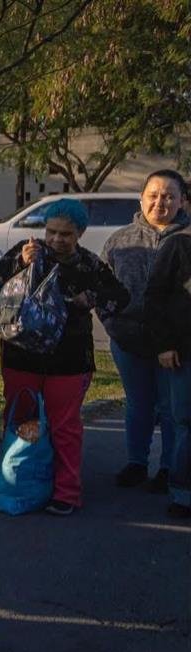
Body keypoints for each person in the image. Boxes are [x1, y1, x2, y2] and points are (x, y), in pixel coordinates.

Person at [0, 199, 129, 516]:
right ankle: (19, 482)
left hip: (68, 360)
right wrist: (21, 266)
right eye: (51, 232)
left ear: (80, 232)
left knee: (64, 427)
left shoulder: (89, 265)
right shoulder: (28, 252)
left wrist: (89, 298)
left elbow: (120, 297)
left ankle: (66, 491)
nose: (56, 240)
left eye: (65, 234)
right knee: (23, 422)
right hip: (21, 356)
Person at [102, 170, 189, 492]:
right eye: (153, 194)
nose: (160, 202)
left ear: (182, 201)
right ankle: (136, 462)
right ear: (141, 198)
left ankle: (169, 468)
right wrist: (114, 325)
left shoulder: (186, 239)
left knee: (171, 408)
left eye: (169, 195)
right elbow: (102, 286)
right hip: (128, 339)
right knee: (137, 403)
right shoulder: (121, 240)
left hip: (175, 344)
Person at [144, 180, 191, 519]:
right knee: (185, 421)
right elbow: (155, 298)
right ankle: (182, 493)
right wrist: (164, 345)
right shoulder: (178, 246)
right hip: (183, 351)